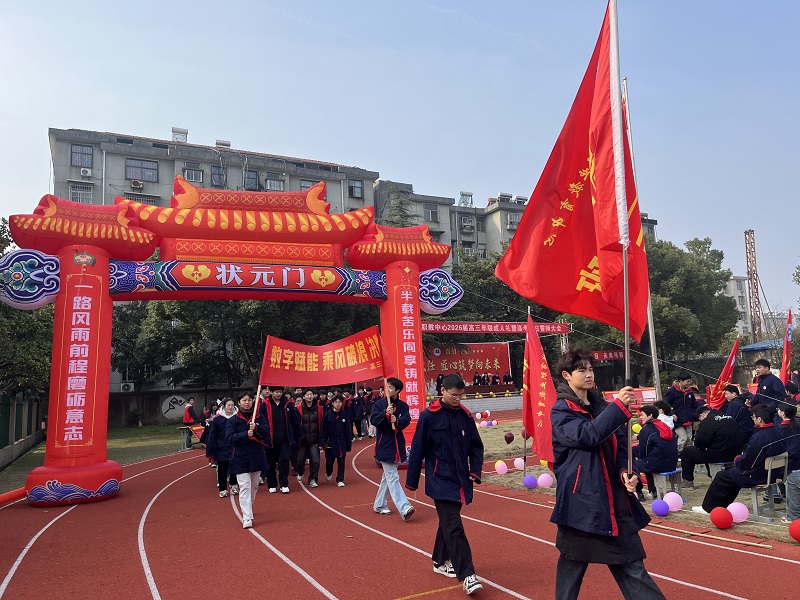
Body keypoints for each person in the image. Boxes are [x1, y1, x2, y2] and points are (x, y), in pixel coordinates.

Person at [550, 348, 665, 600]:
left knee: (631, 564)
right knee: (571, 566)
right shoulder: (561, 411)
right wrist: (618, 408)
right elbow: (588, 435)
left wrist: (626, 471)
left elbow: (621, 444)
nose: (589, 374)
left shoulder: (601, 405)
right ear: (566, 375)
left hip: (613, 499)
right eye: (582, 370)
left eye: (591, 369)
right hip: (581, 502)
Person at [406, 374, 484, 595]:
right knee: (454, 525)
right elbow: (418, 449)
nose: (458, 399)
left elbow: (476, 446)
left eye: (461, 395)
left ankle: (439, 560)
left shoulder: (465, 416)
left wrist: (475, 471)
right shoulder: (429, 416)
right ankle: (467, 575)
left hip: (460, 480)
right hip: (439, 478)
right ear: (443, 391)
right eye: (454, 395)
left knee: (448, 522)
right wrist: (412, 481)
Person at [692, 403, 786, 513]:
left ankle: (708, 507)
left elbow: (748, 462)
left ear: (759, 419)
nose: (752, 419)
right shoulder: (776, 432)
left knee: (723, 475)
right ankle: (721, 506)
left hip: (758, 474)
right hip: (773, 472)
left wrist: (737, 459)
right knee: (732, 474)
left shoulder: (760, 437)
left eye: (753, 417)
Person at [371, 376, 415, 521]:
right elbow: (374, 420)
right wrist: (385, 414)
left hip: (398, 445)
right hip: (385, 445)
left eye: (391, 387)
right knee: (393, 476)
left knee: (388, 477)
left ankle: (379, 504)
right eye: (387, 386)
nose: (388, 389)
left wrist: (397, 420)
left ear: (397, 390)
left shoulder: (403, 406)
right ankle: (404, 507)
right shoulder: (379, 404)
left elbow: (406, 420)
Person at [227, 393, 271, 528]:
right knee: (244, 486)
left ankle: (248, 506)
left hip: (257, 456)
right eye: (244, 400)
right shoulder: (233, 420)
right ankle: (246, 517)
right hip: (240, 457)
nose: (247, 402)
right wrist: (245, 435)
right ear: (239, 402)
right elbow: (230, 438)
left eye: (249, 400)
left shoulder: (259, 417)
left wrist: (256, 428)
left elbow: (266, 432)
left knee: (254, 485)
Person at [680, 405, 744, 490]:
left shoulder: (708, 422)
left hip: (719, 454)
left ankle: (688, 481)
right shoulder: (729, 417)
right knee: (709, 449)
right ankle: (711, 474)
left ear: (702, 415)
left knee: (687, 451)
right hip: (736, 453)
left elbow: (700, 443)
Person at [632, 405, 677, 499]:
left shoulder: (647, 429)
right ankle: (652, 490)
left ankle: (638, 493)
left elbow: (643, 451)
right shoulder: (665, 426)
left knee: (632, 464)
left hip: (658, 464)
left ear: (650, 415)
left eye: (642, 415)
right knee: (647, 460)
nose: (640, 418)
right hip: (672, 463)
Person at [263, 385, 302, 494]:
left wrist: (299, 434)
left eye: (280, 392)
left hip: (285, 438)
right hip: (270, 438)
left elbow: (295, 421)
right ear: (271, 392)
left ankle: (284, 483)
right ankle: (272, 484)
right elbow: (260, 420)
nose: (278, 394)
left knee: (284, 461)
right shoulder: (265, 405)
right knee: (270, 462)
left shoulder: (288, 404)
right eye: (276, 392)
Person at [206, 397, 238, 497]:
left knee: (234, 467)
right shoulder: (217, 419)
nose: (230, 407)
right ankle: (223, 489)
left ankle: (233, 484)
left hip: (235, 447)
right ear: (224, 406)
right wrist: (210, 452)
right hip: (222, 447)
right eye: (228, 405)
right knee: (222, 469)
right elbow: (212, 435)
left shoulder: (238, 418)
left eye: (232, 405)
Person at [321, 393, 352, 486]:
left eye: (340, 402)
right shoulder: (328, 415)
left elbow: (348, 430)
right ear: (332, 403)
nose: (338, 404)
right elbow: (324, 430)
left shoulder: (344, 415)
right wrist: (323, 443)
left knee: (341, 461)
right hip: (331, 442)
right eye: (336, 402)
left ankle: (340, 479)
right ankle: (329, 473)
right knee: (329, 462)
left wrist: (348, 444)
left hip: (341, 442)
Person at [662, 373, 698, 452]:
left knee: (689, 439)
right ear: (680, 381)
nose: (689, 383)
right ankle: (676, 453)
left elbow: (694, 403)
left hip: (688, 418)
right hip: (677, 420)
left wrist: (702, 407)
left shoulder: (689, 391)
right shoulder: (672, 391)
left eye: (690, 381)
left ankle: (687, 455)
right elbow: (664, 403)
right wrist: (671, 413)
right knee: (683, 438)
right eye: (687, 381)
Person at [295, 389, 323, 488]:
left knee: (315, 461)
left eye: (311, 394)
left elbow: (321, 423)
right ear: (303, 396)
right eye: (307, 394)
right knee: (300, 460)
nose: (310, 396)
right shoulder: (298, 409)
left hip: (314, 439)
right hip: (302, 439)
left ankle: (313, 479)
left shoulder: (319, 409)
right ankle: (300, 471)